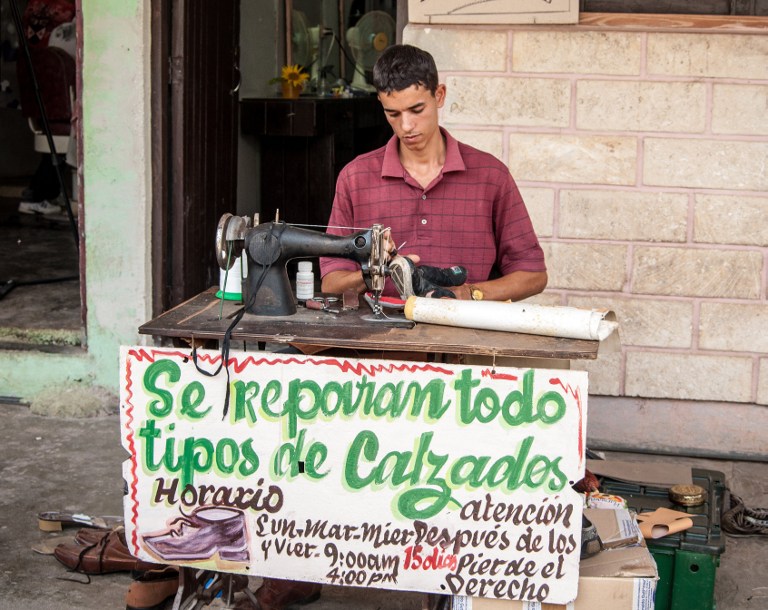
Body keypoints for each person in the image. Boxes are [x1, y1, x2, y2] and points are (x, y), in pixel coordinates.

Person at [254, 43, 547, 610]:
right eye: (392, 114)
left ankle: (456, 570)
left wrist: (466, 294)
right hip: (375, 349)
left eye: (417, 109)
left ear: (439, 96)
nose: (406, 126)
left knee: (463, 463)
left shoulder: (490, 175)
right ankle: (298, 557)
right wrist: (375, 271)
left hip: (459, 349)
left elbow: (532, 275)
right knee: (302, 428)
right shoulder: (358, 176)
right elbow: (333, 276)